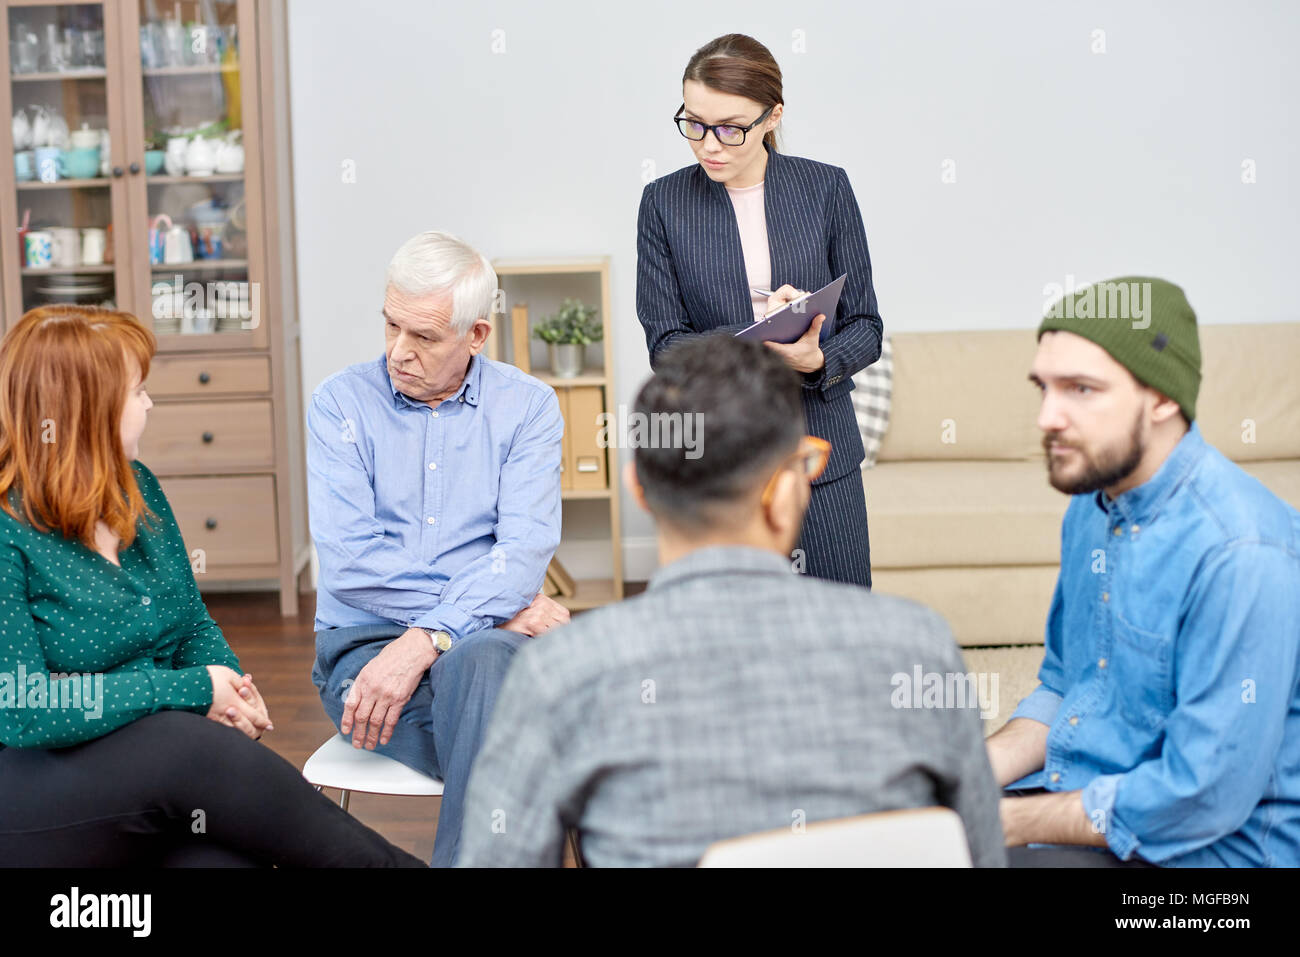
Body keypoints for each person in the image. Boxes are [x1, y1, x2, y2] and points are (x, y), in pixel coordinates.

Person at [456, 337, 1005, 867]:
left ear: (639, 490)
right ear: (787, 492)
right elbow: (978, 852)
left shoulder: (561, 676)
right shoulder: (918, 647)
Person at [0, 306, 423, 867]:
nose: (150, 404)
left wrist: (234, 692)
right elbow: (25, 708)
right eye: (137, 391)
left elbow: (190, 623)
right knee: (182, 744)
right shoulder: (9, 530)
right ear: (88, 411)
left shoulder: (139, 490)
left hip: (150, 784)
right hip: (37, 794)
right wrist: (194, 691)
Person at [987, 277, 1300, 867]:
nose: (1048, 417)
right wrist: (972, 776)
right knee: (900, 829)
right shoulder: (1095, 502)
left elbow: (1201, 796)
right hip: (1098, 801)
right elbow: (1064, 686)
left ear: (1161, 399)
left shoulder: (1243, 553)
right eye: (1044, 388)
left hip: (1209, 855)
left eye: (1081, 389)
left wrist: (1009, 820)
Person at [307, 230, 570, 867]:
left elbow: (525, 550)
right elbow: (350, 561)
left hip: (486, 648)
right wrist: (491, 605)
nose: (399, 351)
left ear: (476, 335)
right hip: (363, 652)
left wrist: (431, 636)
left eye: (422, 336)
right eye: (391, 325)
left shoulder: (529, 408)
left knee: (483, 668)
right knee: (539, 732)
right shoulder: (339, 403)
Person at [636, 33, 883, 587]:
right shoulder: (662, 203)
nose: (708, 145)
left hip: (819, 441)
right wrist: (753, 340)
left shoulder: (825, 188)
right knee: (733, 641)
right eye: (693, 123)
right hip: (717, 452)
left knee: (841, 621)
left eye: (730, 128)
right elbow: (665, 345)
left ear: (772, 118)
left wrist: (816, 358)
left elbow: (867, 326)